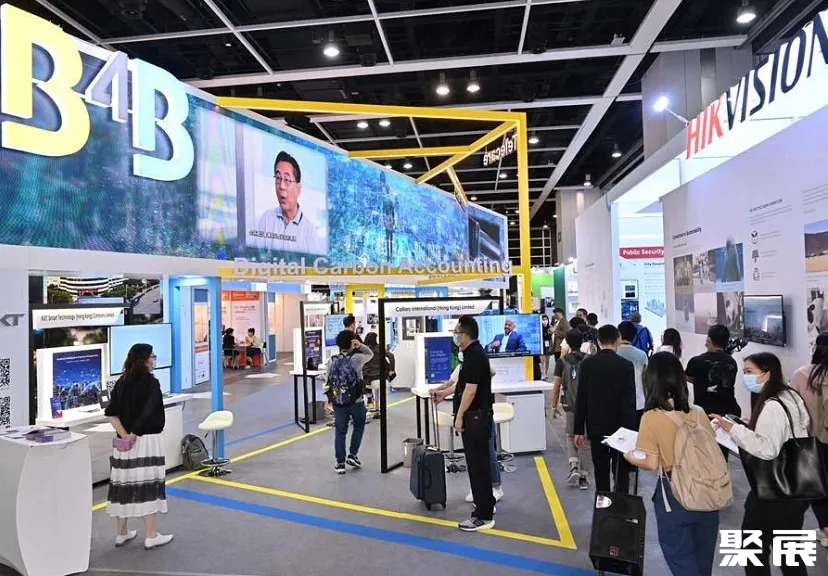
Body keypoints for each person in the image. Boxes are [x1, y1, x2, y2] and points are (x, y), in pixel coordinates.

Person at [712, 353, 810, 576]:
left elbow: (767, 449)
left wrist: (733, 429)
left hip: (772, 490)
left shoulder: (773, 406)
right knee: (790, 554)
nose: (745, 377)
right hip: (794, 487)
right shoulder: (789, 395)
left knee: (752, 549)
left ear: (767, 374)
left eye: (749, 372)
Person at [625, 353, 720, 576]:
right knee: (703, 562)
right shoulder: (698, 413)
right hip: (708, 493)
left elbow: (651, 462)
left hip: (675, 494)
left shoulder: (652, 417)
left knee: (681, 560)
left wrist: (629, 455)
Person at [105, 344, 172, 550]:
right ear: (144, 359)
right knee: (147, 485)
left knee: (123, 486)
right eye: (152, 356)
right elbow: (149, 412)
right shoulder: (151, 383)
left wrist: (125, 435)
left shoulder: (121, 382)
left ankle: (121, 533)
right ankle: (151, 534)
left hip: (123, 443)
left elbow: (111, 413)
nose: (154, 360)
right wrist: (134, 434)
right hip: (146, 441)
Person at [432, 316, 496, 532]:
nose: (455, 336)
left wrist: (459, 416)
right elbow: (462, 384)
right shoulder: (471, 355)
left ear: (465, 335)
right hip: (476, 417)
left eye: (457, 332)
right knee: (477, 465)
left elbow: (470, 390)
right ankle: (484, 505)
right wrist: (443, 394)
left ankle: (484, 516)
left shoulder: (475, 355)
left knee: (478, 467)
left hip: (476, 418)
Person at [432, 352, 503, 504]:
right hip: (469, 417)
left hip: (481, 415)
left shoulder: (479, 362)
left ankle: (495, 487)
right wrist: (440, 392)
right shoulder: (461, 368)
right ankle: (477, 488)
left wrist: (458, 416)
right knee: (473, 455)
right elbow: (456, 385)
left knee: (488, 452)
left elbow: (472, 387)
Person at [573, 325, 636, 493]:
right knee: (621, 471)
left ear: (598, 341)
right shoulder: (626, 365)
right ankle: (620, 502)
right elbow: (629, 401)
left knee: (600, 470)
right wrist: (631, 432)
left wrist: (578, 430)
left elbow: (581, 398)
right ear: (618, 340)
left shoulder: (587, 364)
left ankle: (603, 502)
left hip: (596, 425)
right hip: (620, 427)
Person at [788, 332, 828, 548]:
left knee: (816, 486)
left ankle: (826, 528)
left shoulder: (803, 374)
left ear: (816, 349)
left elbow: (791, 407)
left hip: (813, 441)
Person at [256, 151, 324, 255]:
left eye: (287, 180)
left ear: (298, 188)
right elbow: (255, 257)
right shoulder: (267, 219)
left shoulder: (309, 232)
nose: (281, 186)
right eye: (278, 178)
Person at [324, 330, 373, 474]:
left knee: (340, 432)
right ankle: (352, 454)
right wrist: (360, 345)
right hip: (356, 401)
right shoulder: (357, 358)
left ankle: (340, 463)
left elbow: (327, 382)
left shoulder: (332, 361)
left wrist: (329, 400)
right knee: (359, 425)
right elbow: (370, 354)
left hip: (338, 402)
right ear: (352, 342)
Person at [550, 329, 591, 489]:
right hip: (587, 405)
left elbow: (556, 387)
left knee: (570, 435)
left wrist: (554, 406)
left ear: (567, 343)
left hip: (571, 405)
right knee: (585, 439)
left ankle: (574, 466)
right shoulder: (588, 360)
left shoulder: (562, 362)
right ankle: (584, 477)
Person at [617, 321, 649, 427]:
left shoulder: (614, 354)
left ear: (618, 334)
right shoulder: (642, 355)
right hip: (638, 402)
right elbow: (646, 380)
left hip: (617, 403)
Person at [362, 331, 396, 419]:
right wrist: (391, 369)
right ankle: (378, 406)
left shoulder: (364, 350)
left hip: (368, 378)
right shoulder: (379, 348)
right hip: (381, 376)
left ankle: (369, 399)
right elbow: (391, 356)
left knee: (362, 380)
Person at [381, 173, 395, 263]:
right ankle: (388, 257)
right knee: (388, 239)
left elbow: (391, 212)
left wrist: (391, 221)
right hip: (387, 221)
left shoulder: (388, 200)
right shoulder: (386, 199)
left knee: (389, 239)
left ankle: (390, 257)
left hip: (389, 221)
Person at [540, 314, 554, 379]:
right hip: (542, 344)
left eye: (546, 319)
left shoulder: (550, 327)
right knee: (542, 360)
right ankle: (542, 373)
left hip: (548, 344)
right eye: (543, 319)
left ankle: (546, 373)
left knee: (547, 360)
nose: (545, 321)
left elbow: (551, 336)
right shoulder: (540, 327)